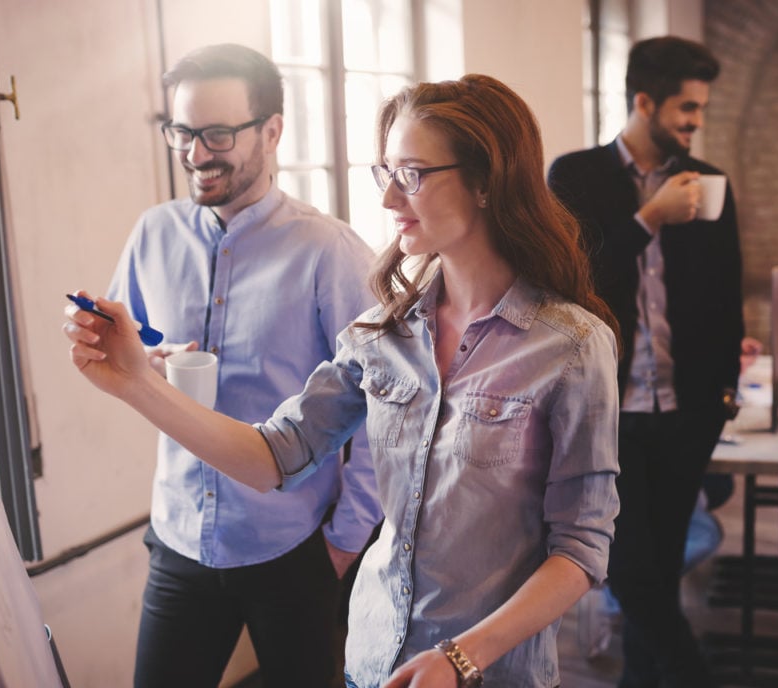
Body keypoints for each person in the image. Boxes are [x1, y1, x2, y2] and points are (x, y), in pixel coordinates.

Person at [65, 73, 621, 688]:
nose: (389, 201)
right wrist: (137, 384)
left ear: (487, 180)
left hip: (491, 675)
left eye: (412, 175)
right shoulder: (382, 333)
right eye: (386, 174)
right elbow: (271, 456)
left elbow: (580, 549)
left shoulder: (570, 346)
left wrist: (461, 657)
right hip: (370, 663)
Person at [101, 44, 383, 688]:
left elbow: (381, 410)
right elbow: (137, 347)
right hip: (177, 538)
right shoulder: (152, 234)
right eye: (183, 132)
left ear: (273, 130)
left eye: (218, 134)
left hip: (295, 548)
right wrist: (135, 355)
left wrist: (345, 539)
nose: (197, 154)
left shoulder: (329, 251)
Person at [548, 35, 744, 687]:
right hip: (610, 412)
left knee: (657, 570)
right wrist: (649, 218)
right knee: (628, 569)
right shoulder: (574, 176)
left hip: (686, 414)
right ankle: (694, 676)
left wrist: (722, 397)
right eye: (686, 110)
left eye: (699, 111)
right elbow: (571, 281)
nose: (694, 124)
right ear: (643, 101)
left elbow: (726, 294)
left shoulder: (709, 182)